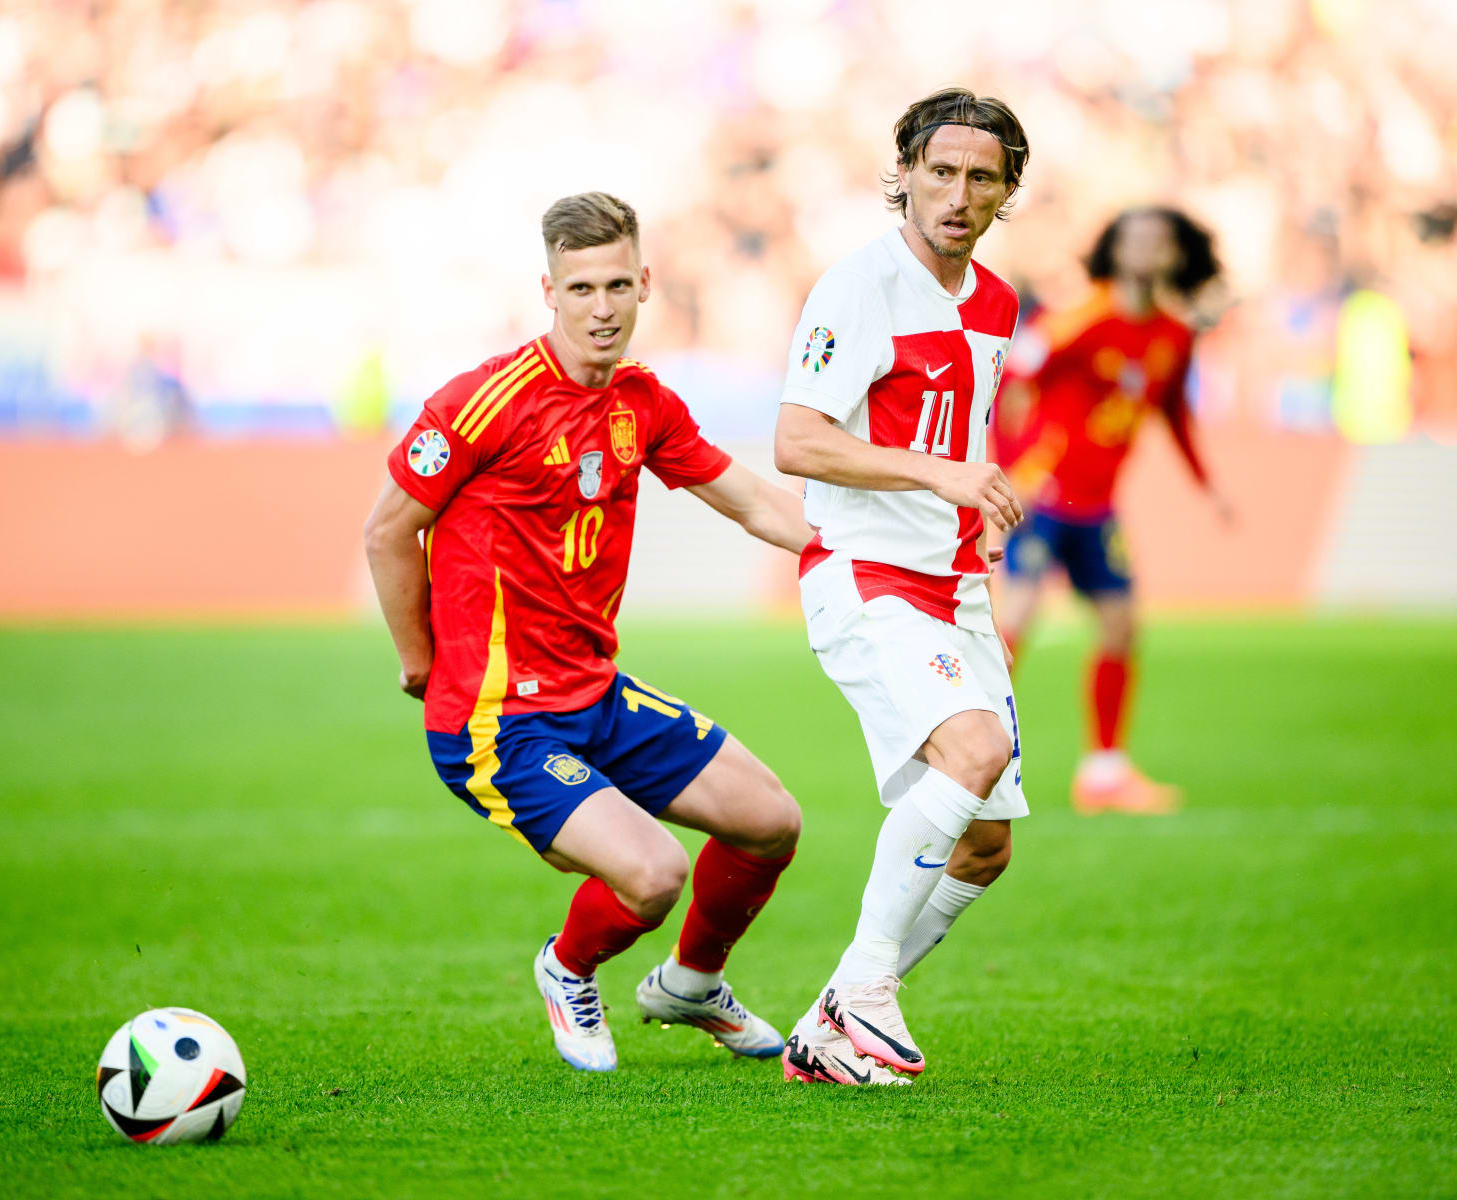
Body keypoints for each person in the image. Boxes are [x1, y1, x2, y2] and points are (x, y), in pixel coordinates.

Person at [365, 192, 814, 1073]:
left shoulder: (644, 403)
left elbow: (756, 501)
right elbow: (388, 531)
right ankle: (568, 968)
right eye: (581, 289)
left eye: (616, 285)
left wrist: (870, 555)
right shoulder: (484, 401)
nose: (601, 308)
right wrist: (420, 662)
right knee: (653, 874)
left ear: (645, 283)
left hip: (595, 695)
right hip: (497, 721)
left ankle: (690, 983)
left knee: (770, 821)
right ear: (550, 291)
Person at [771, 88, 1030, 1085]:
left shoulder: (998, 303)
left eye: (981, 178)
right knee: (972, 750)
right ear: (907, 175)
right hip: (864, 575)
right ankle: (871, 993)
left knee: (985, 848)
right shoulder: (858, 287)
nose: (958, 195)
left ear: (1008, 190)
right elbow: (799, 440)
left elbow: (959, 445)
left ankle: (832, 1022)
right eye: (940, 172)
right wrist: (940, 477)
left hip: (954, 584)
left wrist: (975, 540)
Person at [993, 207, 1232, 815]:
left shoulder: (1175, 336)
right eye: (1136, 238)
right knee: (1015, 621)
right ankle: (973, 756)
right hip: (1045, 497)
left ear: (1178, 254)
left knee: (1122, 625)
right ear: (1113, 249)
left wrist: (1207, 485)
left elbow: (1174, 413)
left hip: (1097, 508)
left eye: (1161, 240)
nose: (1149, 249)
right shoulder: (1075, 315)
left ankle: (1103, 774)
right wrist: (1012, 473)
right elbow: (1008, 385)